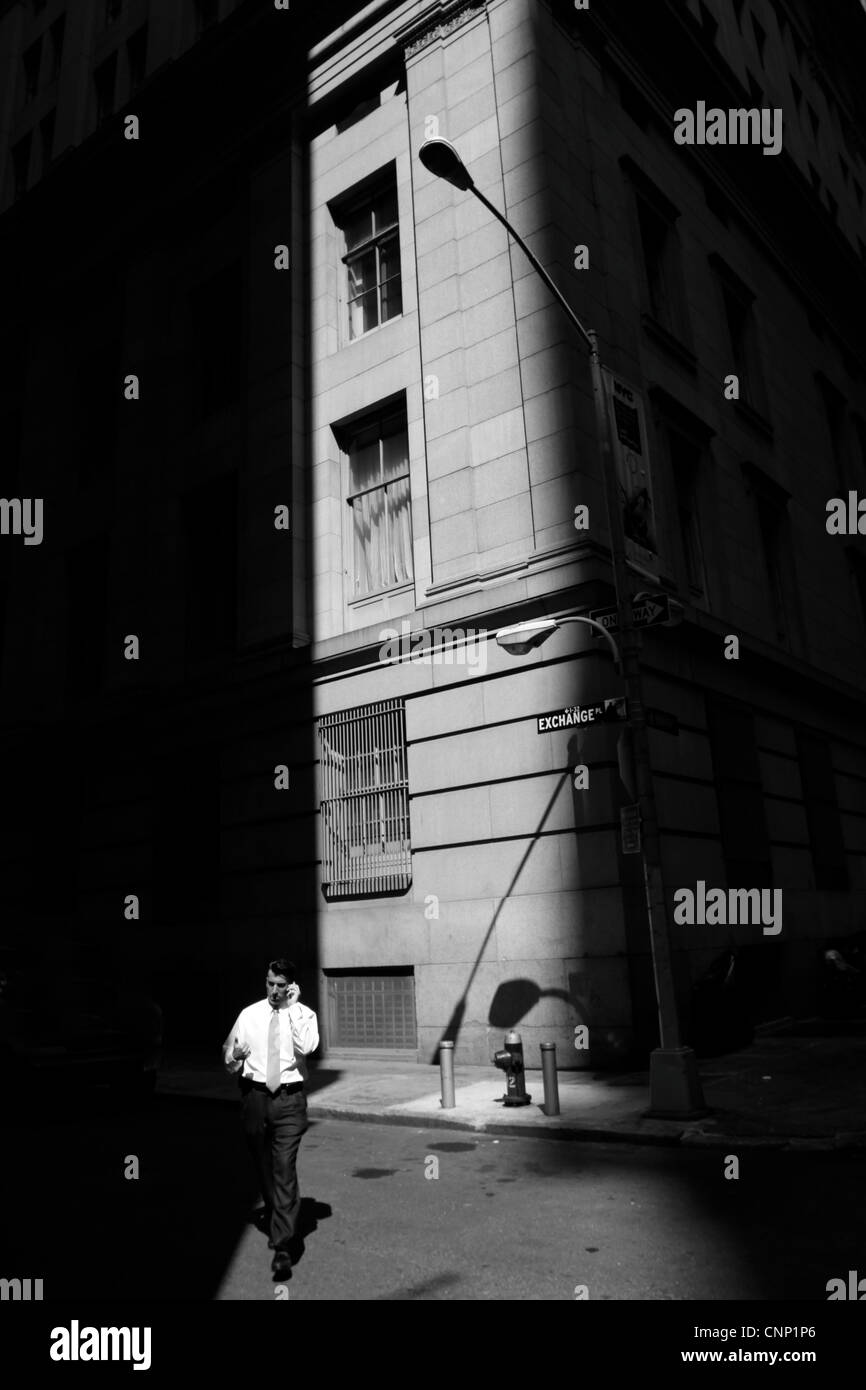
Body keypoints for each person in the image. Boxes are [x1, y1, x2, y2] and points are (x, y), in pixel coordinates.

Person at [223, 958, 319, 1280]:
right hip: (254, 1097)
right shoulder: (248, 1015)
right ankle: (276, 1210)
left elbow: (307, 1046)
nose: (274, 990)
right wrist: (233, 1058)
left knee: (283, 1165)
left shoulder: (305, 1015)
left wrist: (292, 1009)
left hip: (289, 1099)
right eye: (270, 983)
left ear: (290, 986)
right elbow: (227, 1054)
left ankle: (282, 1245)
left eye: (280, 985)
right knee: (263, 1165)